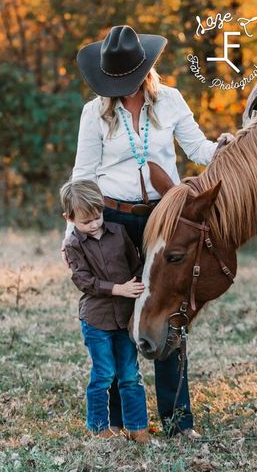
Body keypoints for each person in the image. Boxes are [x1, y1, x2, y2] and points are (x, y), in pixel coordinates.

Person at [61, 24, 233, 440]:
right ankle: (122, 421)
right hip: (113, 221)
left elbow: (198, 150)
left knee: (168, 306)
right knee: (121, 317)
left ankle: (178, 422)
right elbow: (84, 175)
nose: (118, 88)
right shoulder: (94, 113)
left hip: (162, 218)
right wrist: (73, 231)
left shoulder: (170, 100)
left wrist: (224, 146)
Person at [60, 179, 148, 441]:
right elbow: (83, 281)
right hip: (96, 320)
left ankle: (137, 427)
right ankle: (99, 428)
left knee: (130, 374)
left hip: (124, 317)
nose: (94, 224)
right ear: (70, 218)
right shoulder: (74, 244)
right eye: (86, 222)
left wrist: (136, 283)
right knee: (104, 374)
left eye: (97, 217)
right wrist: (117, 289)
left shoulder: (119, 232)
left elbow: (137, 265)